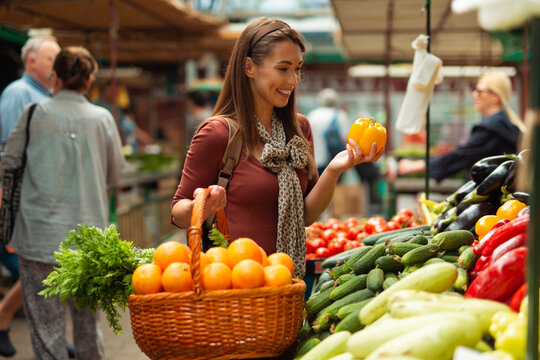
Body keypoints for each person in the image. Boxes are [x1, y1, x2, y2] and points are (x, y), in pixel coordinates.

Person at [171, 17, 383, 283]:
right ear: (249, 67)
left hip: (288, 282)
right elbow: (178, 211)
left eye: (297, 69)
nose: (293, 80)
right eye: (283, 68)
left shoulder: (299, 130)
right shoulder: (218, 133)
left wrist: (333, 169)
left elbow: (305, 215)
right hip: (232, 287)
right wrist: (203, 205)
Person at [0, 46, 124, 360]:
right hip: (88, 241)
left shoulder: (32, 115)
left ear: (55, 77)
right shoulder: (103, 118)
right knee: (87, 327)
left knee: (45, 329)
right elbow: (115, 174)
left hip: (38, 238)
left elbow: (9, 162)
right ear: (89, 81)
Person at [0, 36, 62, 358]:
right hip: (22, 201)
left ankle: (43, 333)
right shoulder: (18, 95)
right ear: (31, 61)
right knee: (39, 268)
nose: (56, 66)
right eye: (51, 59)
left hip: (40, 198)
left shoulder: (46, 96)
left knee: (43, 269)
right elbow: (11, 156)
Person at [397, 71, 526, 182]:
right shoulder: (502, 124)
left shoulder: (492, 128)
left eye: (479, 91)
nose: (474, 94)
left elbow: (462, 155)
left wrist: (418, 165)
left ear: (495, 97)